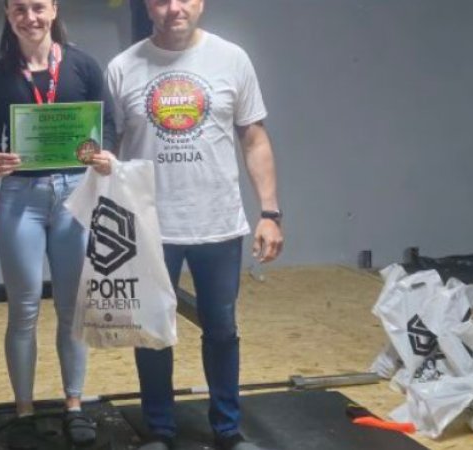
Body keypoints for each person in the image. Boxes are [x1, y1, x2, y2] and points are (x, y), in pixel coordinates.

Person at [106, 1, 284, 449]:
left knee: (222, 329)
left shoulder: (232, 59)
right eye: (161, 0)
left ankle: (227, 429)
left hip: (218, 224)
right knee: (152, 333)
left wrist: (269, 212)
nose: (174, 8)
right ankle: (159, 430)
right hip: (148, 226)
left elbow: (254, 138)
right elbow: (109, 148)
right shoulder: (122, 68)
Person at [0, 0, 115, 447]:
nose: (30, 17)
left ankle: (74, 404)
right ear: (8, 15)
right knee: (24, 309)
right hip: (21, 197)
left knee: (72, 307)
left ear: (54, 9)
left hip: (75, 194)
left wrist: (105, 154)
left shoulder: (82, 65)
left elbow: (108, 125)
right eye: (19, 9)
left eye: (38, 7)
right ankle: (24, 411)